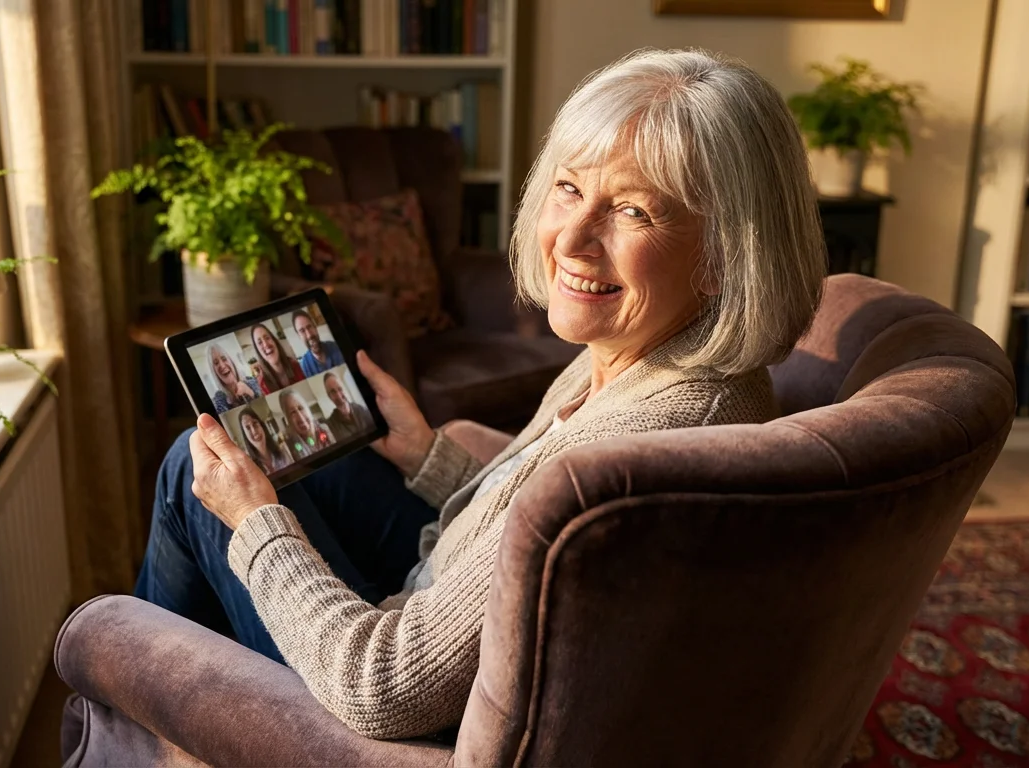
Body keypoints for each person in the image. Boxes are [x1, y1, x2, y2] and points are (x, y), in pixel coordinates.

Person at [131, 49, 826, 741]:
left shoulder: (640, 445)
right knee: (266, 450)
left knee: (191, 473)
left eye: (635, 211)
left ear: (725, 256)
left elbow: (381, 686)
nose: (574, 240)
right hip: (440, 593)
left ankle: (140, 715)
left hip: (399, 696)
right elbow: (539, 535)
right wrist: (428, 456)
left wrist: (255, 524)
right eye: (569, 188)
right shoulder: (646, 357)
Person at [278, 388, 336, 458]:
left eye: (301, 408)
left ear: (308, 409)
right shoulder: (288, 450)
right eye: (293, 412)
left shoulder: (327, 428)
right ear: (288, 420)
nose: (300, 417)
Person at [236, 406, 292, 475]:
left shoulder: (283, 452)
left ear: (262, 426)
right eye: (248, 428)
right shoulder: (248, 468)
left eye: (255, 423)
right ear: (245, 436)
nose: (254, 431)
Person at [250, 323, 304, 394]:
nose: (266, 344)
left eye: (267, 338)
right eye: (260, 342)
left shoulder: (296, 366)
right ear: (259, 353)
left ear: (275, 341)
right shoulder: (263, 384)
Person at [205, 344, 261, 413]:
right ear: (214, 372)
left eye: (224, 359)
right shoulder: (219, 398)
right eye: (216, 363)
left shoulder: (252, 381)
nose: (222, 366)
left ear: (231, 361)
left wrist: (250, 393)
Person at [321, 372, 374, 443]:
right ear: (329, 397)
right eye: (333, 392)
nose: (339, 396)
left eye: (340, 389)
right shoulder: (331, 425)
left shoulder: (361, 409)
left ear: (344, 389)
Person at [292, 310, 345, 377]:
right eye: (302, 331)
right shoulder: (305, 365)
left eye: (309, 327)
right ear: (299, 336)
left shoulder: (336, 347)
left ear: (315, 327)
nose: (309, 335)